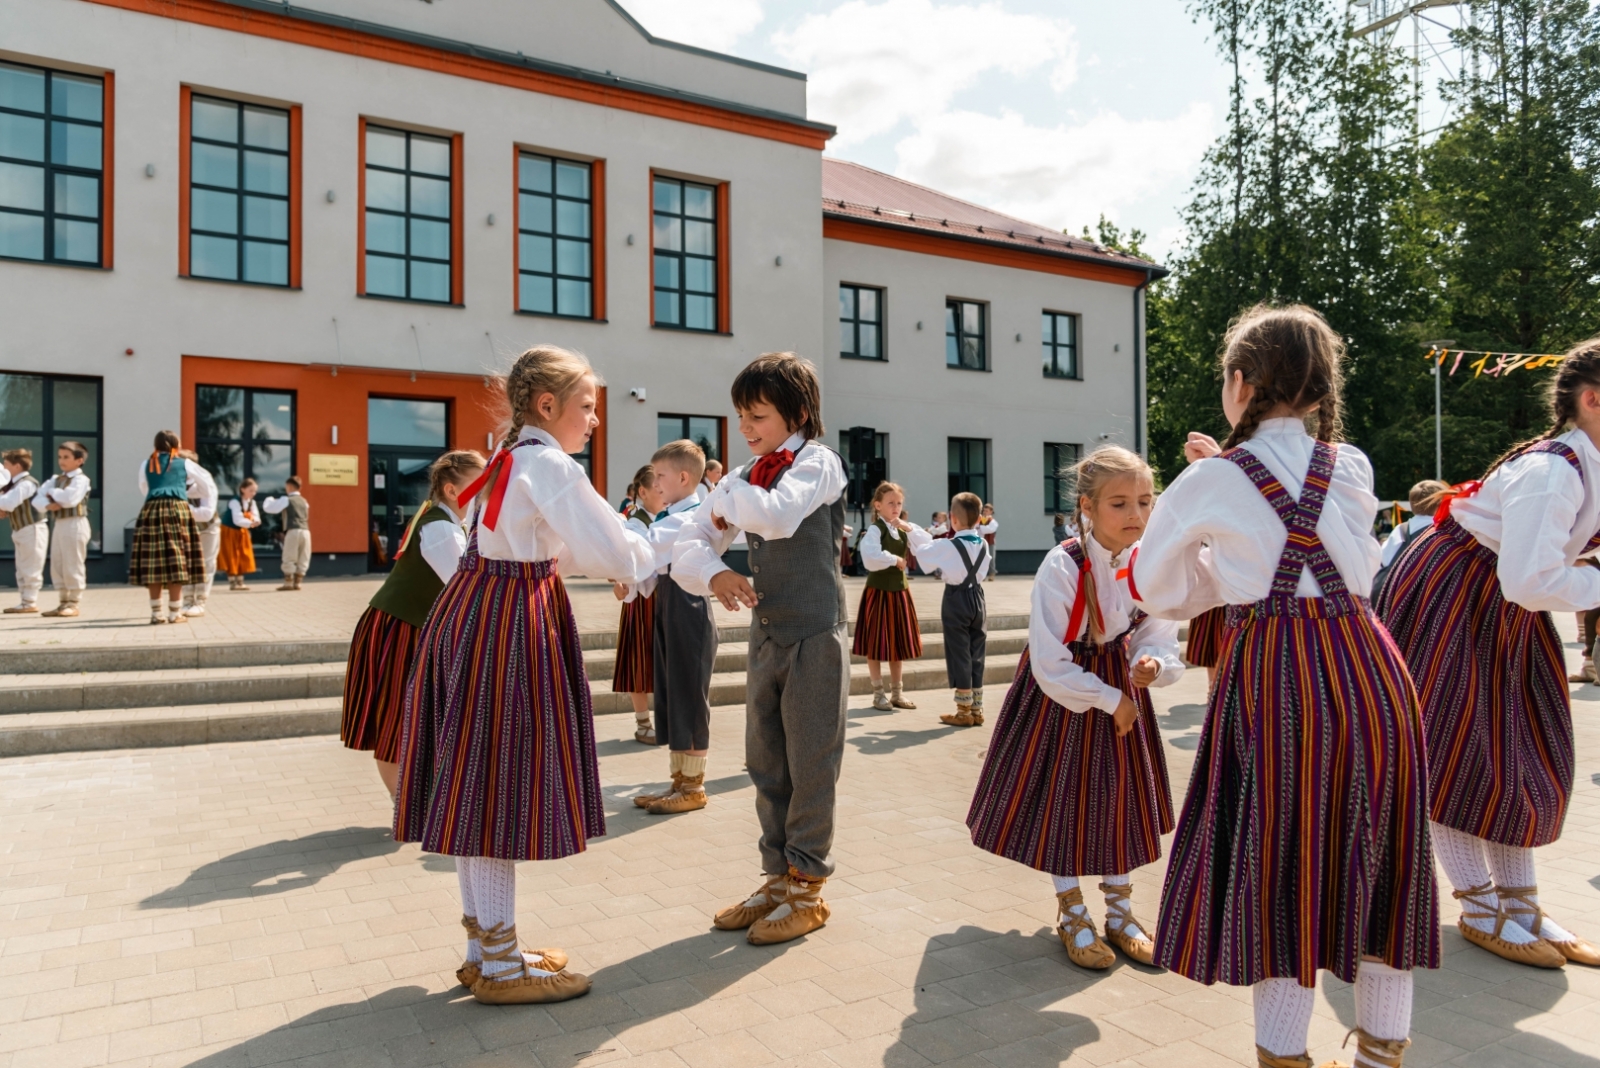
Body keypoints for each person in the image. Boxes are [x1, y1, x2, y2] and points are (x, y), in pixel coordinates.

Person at [1133, 305, 1439, 1068]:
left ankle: (1283, 1056)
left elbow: (1154, 587)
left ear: (1240, 384)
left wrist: (1209, 534)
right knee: (1380, 863)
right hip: (1371, 667)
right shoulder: (1354, 464)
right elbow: (1318, 546)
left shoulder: (1208, 478)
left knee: (1281, 871)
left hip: (1279, 678)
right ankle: (1380, 1059)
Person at [394, 345, 653, 1006]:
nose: (594, 419)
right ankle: (503, 968)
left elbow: (547, 542)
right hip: (508, 623)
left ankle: (488, 948)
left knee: (474, 786)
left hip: (476, 615)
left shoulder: (508, 457)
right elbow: (612, 547)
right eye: (587, 406)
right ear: (548, 406)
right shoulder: (547, 463)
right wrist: (659, 551)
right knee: (495, 790)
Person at [1376, 335, 1600, 973]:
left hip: (1500, 604)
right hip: (1455, 595)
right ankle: (1478, 906)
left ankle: (1522, 907)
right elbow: (1531, 581)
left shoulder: (1587, 464)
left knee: (1520, 751)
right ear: (1592, 400)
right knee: (1458, 752)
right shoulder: (1552, 471)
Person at [967, 446, 1180, 970]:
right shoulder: (1064, 563)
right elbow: (1048, 659)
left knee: (1120, 800)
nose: (1136, 515)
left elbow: (1159, 630)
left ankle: (1121, 910)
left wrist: (1151, 663)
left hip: (1122, 686)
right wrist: (1111, 699)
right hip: (1067, 693)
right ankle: (1073, 911)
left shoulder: (1147, 560)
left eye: (1145, 502)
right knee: (1065, 800)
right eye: (1120, 503)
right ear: (1087, 506)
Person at [674, 352, 849, 946]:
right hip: (767, 632)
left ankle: (807, 888)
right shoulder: (746, 474)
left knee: (811, 761)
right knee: (765, 759)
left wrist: (726, 496)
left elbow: (775, 516)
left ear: (796, 413)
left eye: (758, 416)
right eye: (741, 417)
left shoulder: (818, 463)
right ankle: (776, 878)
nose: (746, 428)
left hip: (815, 634)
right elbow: (690, 540)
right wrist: (715, 574)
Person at [342, 450, 482, 798]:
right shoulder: (440, 528)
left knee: (414, 717)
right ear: (452, 491)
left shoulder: (449, 523)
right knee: (395, 719)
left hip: (413, 627)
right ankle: (403, 804)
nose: (486, 493)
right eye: (479, 486)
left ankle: (414, 799)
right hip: (400, 628)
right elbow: (465, 591)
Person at [630, 439, 720, 814]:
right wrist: (631, 583)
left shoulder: (690, 516)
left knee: (688, 693)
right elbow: (652, 570)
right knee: (670, 691)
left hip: (688, 604)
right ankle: (679, 781)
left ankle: (694, 787)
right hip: (667, 600)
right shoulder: (669, 515)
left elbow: (648, 546)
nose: (657, 483)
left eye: (661, 476)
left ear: (684, 477)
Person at [905, 493, 991, 726]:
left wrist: (910, 529)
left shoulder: (948, 545)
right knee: (977, 653)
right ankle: (977, 708)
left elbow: (923, 554)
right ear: (979, 519)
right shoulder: (983, 543)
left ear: (952, 519)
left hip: (956, 598)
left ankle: (963, 711)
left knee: (959, 652)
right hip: (978, 597)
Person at [853, 481, 923, 711]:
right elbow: (870, 556)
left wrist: (909, 528)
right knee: (875, 643)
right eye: (890, 503)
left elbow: (927, 544)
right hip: (879, 593)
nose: (895, 507)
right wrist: (894, 559)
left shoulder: (902, 527)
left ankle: (897, 693)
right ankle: (878, 694)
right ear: (878, 505)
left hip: (900, 593)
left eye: (899, 503)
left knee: (898, 644)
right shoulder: (876, 529)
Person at [130, 431, 206, 625]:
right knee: (177, 561)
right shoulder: (185, 463)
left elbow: (143, 488)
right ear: (175, 444)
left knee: (153, 563)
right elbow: (205, 485)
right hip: (177, 510)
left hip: (152, 511)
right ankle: (175, 613)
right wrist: (185, 491)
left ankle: (156, 614)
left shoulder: (146, 464)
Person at [614, 465, 664, 744]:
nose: (664, 493)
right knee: (639, 664)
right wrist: (620, 582)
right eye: (658, 488)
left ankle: (668, 720)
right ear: (642, 492)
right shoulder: (634, 524)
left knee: (668, 663)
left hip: (669, 599)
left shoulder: (673, 517)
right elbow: (624, 562)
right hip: (644, 601)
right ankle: (643, 723)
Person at [35, 441, 91, 618]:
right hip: (60, 523)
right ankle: (63, 601)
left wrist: (52, 493)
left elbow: (70, 500)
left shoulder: (81, 479)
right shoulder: (56, 479)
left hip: (75, 523)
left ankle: (74, 602)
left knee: (73, 562)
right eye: (60, 457)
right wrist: (47, 504)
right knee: (58, 563)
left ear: (79, 460)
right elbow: (36, 499)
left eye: (66, 457)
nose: (62, 461)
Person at [1, 450, 46, 614]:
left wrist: (2, 505)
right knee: (21, 567)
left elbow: (10, 502)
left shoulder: (27, 483)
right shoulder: (14, 484)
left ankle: (30, 602)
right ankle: (25, 601)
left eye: (6, 464)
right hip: (21, 529)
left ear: (17, 466)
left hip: (32, 528)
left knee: (31, 566)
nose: (4, 468)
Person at [178, 450, 220, 617]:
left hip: (208, 528)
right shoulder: (178, 483)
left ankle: (200, 602)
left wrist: (181, 508)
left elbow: (206, 513)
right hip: (188, 528)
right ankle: (187, 601)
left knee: (206, 564)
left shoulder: (204, 482)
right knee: (187, 565)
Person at [219, 478, 261, 590]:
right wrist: (251, 523)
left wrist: (255, 521)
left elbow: (256, 515)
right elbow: (237, 519)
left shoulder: (252, 502)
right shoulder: (235, 501)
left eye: (254, 491)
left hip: (241, 531)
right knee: (231, 554)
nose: (253, 493)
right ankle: (232, 582)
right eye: (251, 490)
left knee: (242, 554)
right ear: (243, 489)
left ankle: (240, 581)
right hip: (229, 530)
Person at [977, 504, 998, 580]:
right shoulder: (979, 520)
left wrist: (981, 527)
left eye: (987, 511)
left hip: (990, 542)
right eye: (984, 510)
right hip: (981, 542)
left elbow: (990, 529)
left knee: (991, 558)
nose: (985, 512)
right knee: (981, 558)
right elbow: (976, 529)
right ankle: (983, 575)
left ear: (991, 512)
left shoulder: (993, 521)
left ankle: (992, 573)